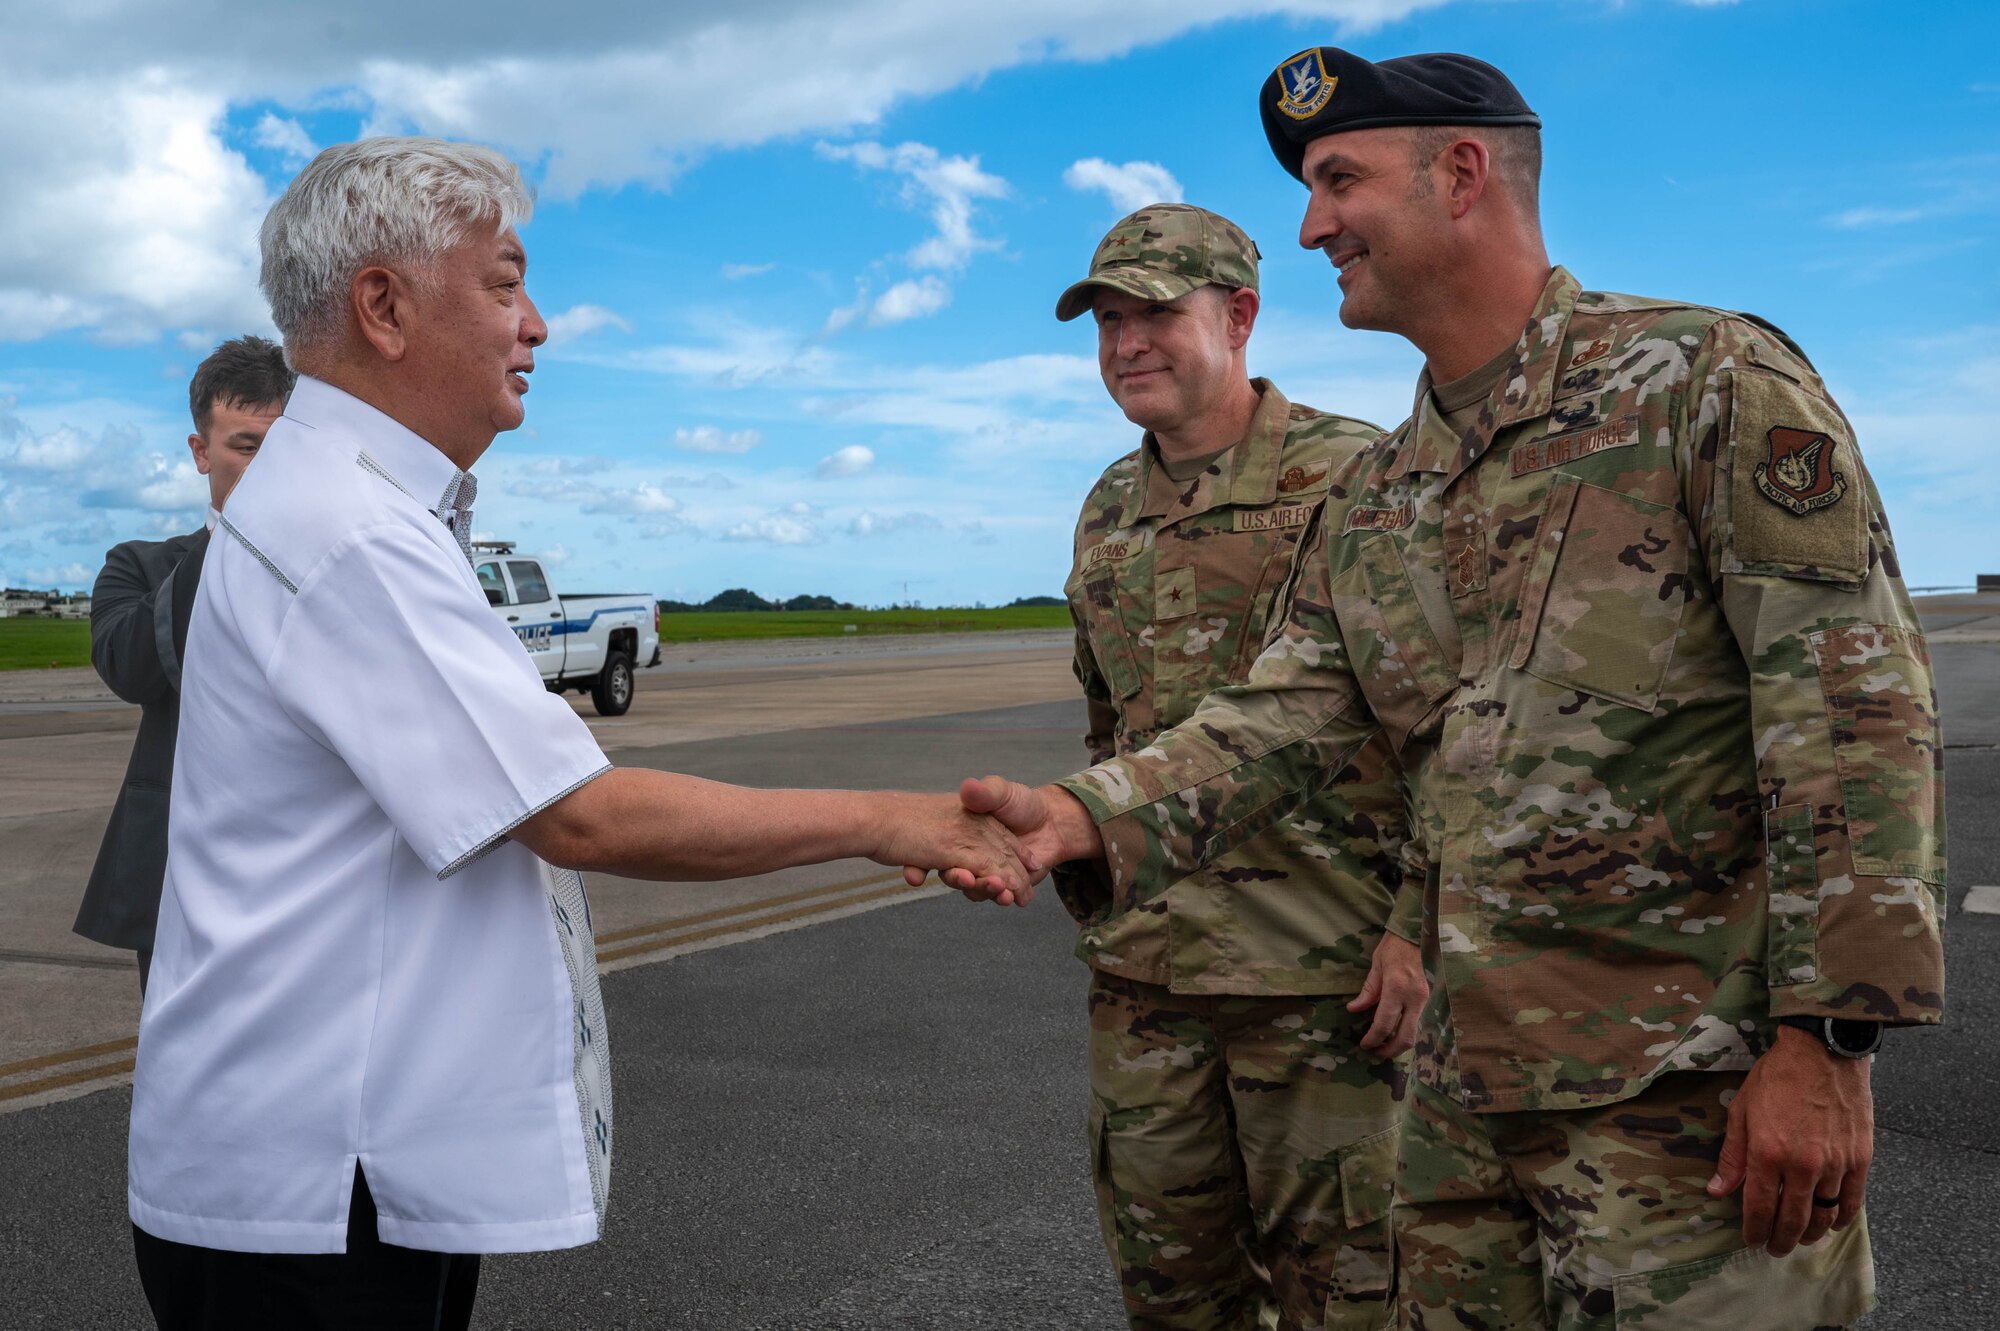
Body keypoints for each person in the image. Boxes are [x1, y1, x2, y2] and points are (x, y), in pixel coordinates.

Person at [948, 47, 1944, 1331]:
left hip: (1683, 1108)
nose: (1310, 225)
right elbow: (1283, 713)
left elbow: (1851, 718)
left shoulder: (1699, 384)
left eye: (1337, 181)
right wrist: (1080, 816)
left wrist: (1829, 1040)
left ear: (1460, 173)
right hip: (1454, 1113)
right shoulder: (1382, 492)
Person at [127, 136, 1030, 1331]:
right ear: (383, 307)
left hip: (331, 1159)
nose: (536, 324)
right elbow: (579, 810)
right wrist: (895, 816)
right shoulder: (347, 527)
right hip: (306, 1190)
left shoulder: (349, 500)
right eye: (503, 283)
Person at [1048, 202, 1425, 1331]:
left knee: (1351, 1299)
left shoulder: (1358, 473)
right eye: (1107, 320)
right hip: (1146, 989)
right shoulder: (1108, 504)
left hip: (1324, 983)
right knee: (1172, 1298)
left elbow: (1441, 725)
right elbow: (1107, 726)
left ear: (1240, 314)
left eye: (1155, 313)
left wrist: (1421, 921)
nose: (1126, 344)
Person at [74, 335, 295, 992]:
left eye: (280, 449)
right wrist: (233, 539)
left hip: (298, 867)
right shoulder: (142, 566)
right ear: (201, 453)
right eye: (245, 447)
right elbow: (131, 667)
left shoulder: (330, 568)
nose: (264, 468)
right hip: (181, 877)